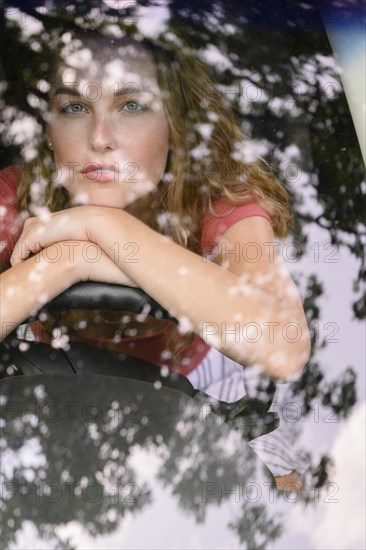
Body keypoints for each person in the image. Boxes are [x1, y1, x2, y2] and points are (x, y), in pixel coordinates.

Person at [0, 28, 310, 486]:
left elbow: (282, 347)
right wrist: (58, 264)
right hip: (41, 407)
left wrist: (103, 234)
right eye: (74, 107)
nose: (100, 138)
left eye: (131, 105)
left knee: (288, 480)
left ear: (175, 126)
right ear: (47, 130)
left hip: (192, 403)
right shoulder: (16, 196)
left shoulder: (218, 199)